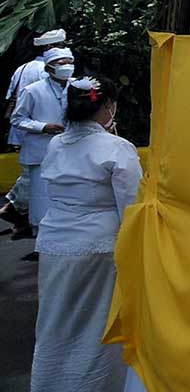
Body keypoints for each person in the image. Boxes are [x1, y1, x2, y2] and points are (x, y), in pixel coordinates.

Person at [30, 76, 142, 392]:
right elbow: (131, 207)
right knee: (97, 324)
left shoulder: (56, 143)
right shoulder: (117, 148)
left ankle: (51, 382)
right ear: (107, 106)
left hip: (56, 244)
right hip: (99, 247)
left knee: (56, 319)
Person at [2, 30, 67, 236]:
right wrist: (44, 126)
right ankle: (15, 207)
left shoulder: (22, 68)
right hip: (41, 135)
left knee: (32, 178)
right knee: (37, 183)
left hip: (26, 135)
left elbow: (11, 99)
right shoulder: (44, 73)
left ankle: (18, 213)